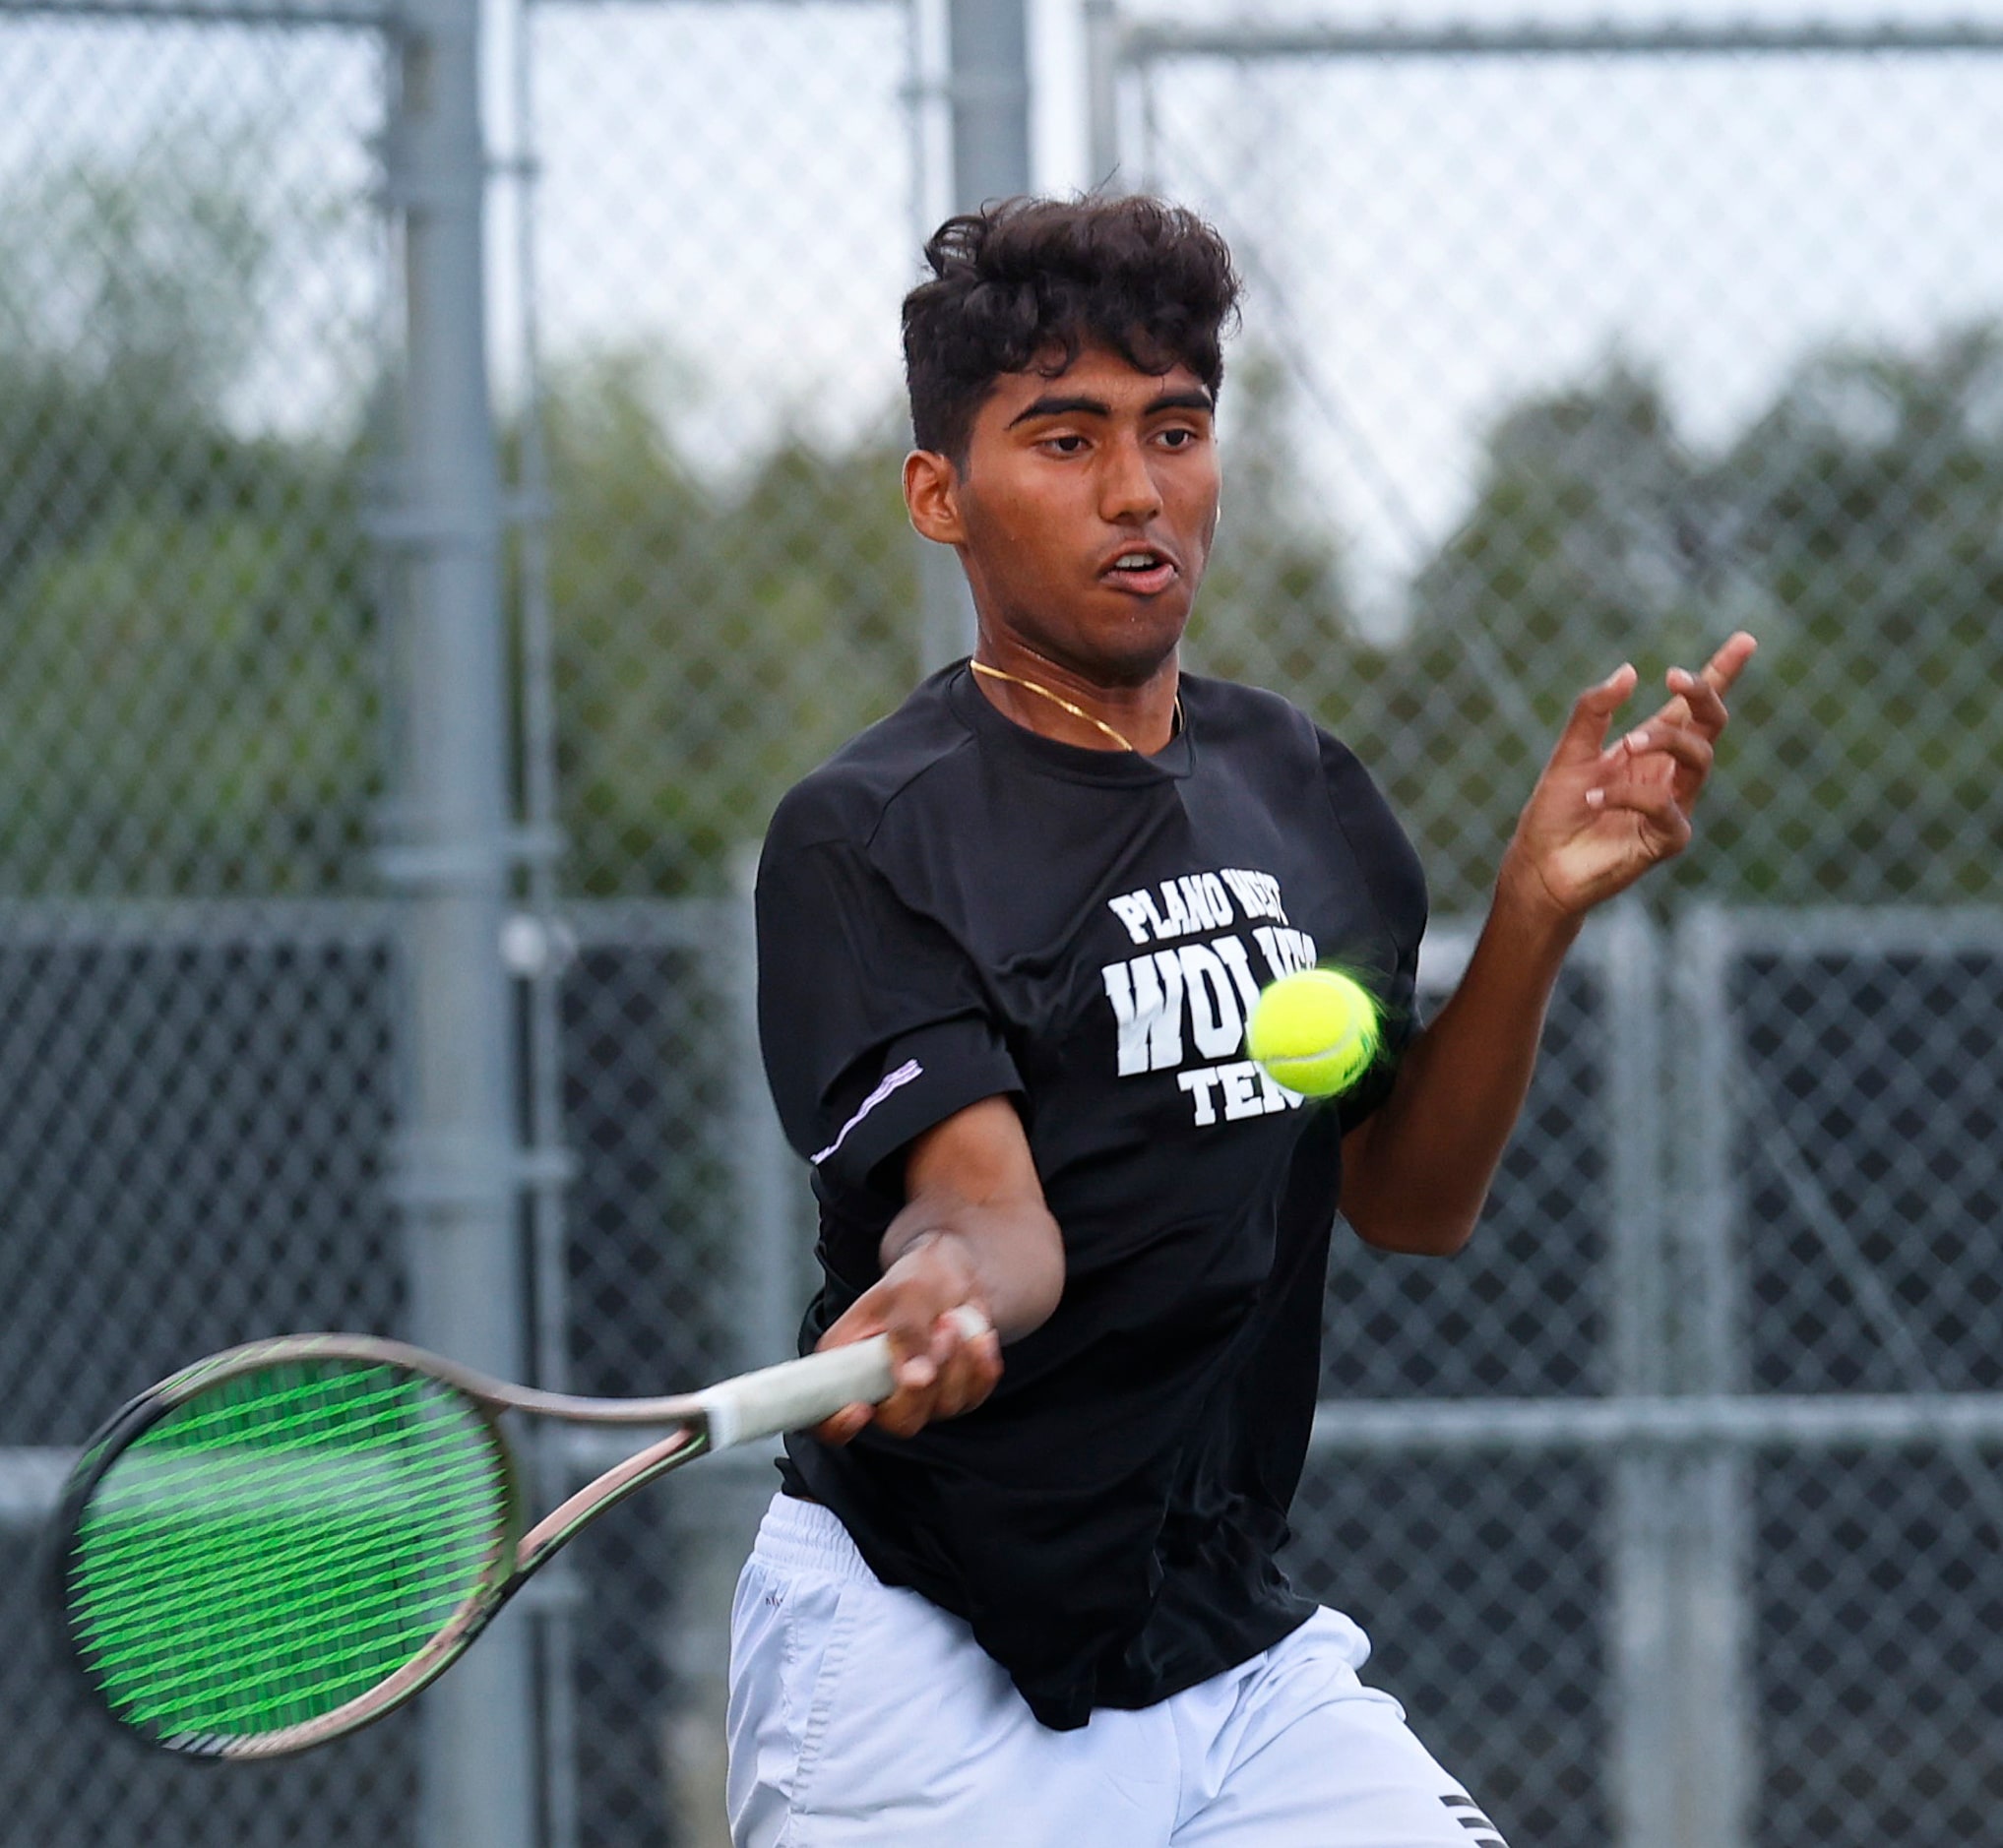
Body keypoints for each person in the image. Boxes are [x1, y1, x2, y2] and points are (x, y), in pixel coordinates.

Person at [728, 194, 1755, 1847]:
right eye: (1063, 439)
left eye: (1175, 428)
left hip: (1226, 1643)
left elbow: (1411, 1199)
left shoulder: (1301, 792)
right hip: (924, 1661)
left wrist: (1536, 913)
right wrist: (935, 1284)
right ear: (941, 495)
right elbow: (989, 1212)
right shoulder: (869, 832)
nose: (1137, 490)